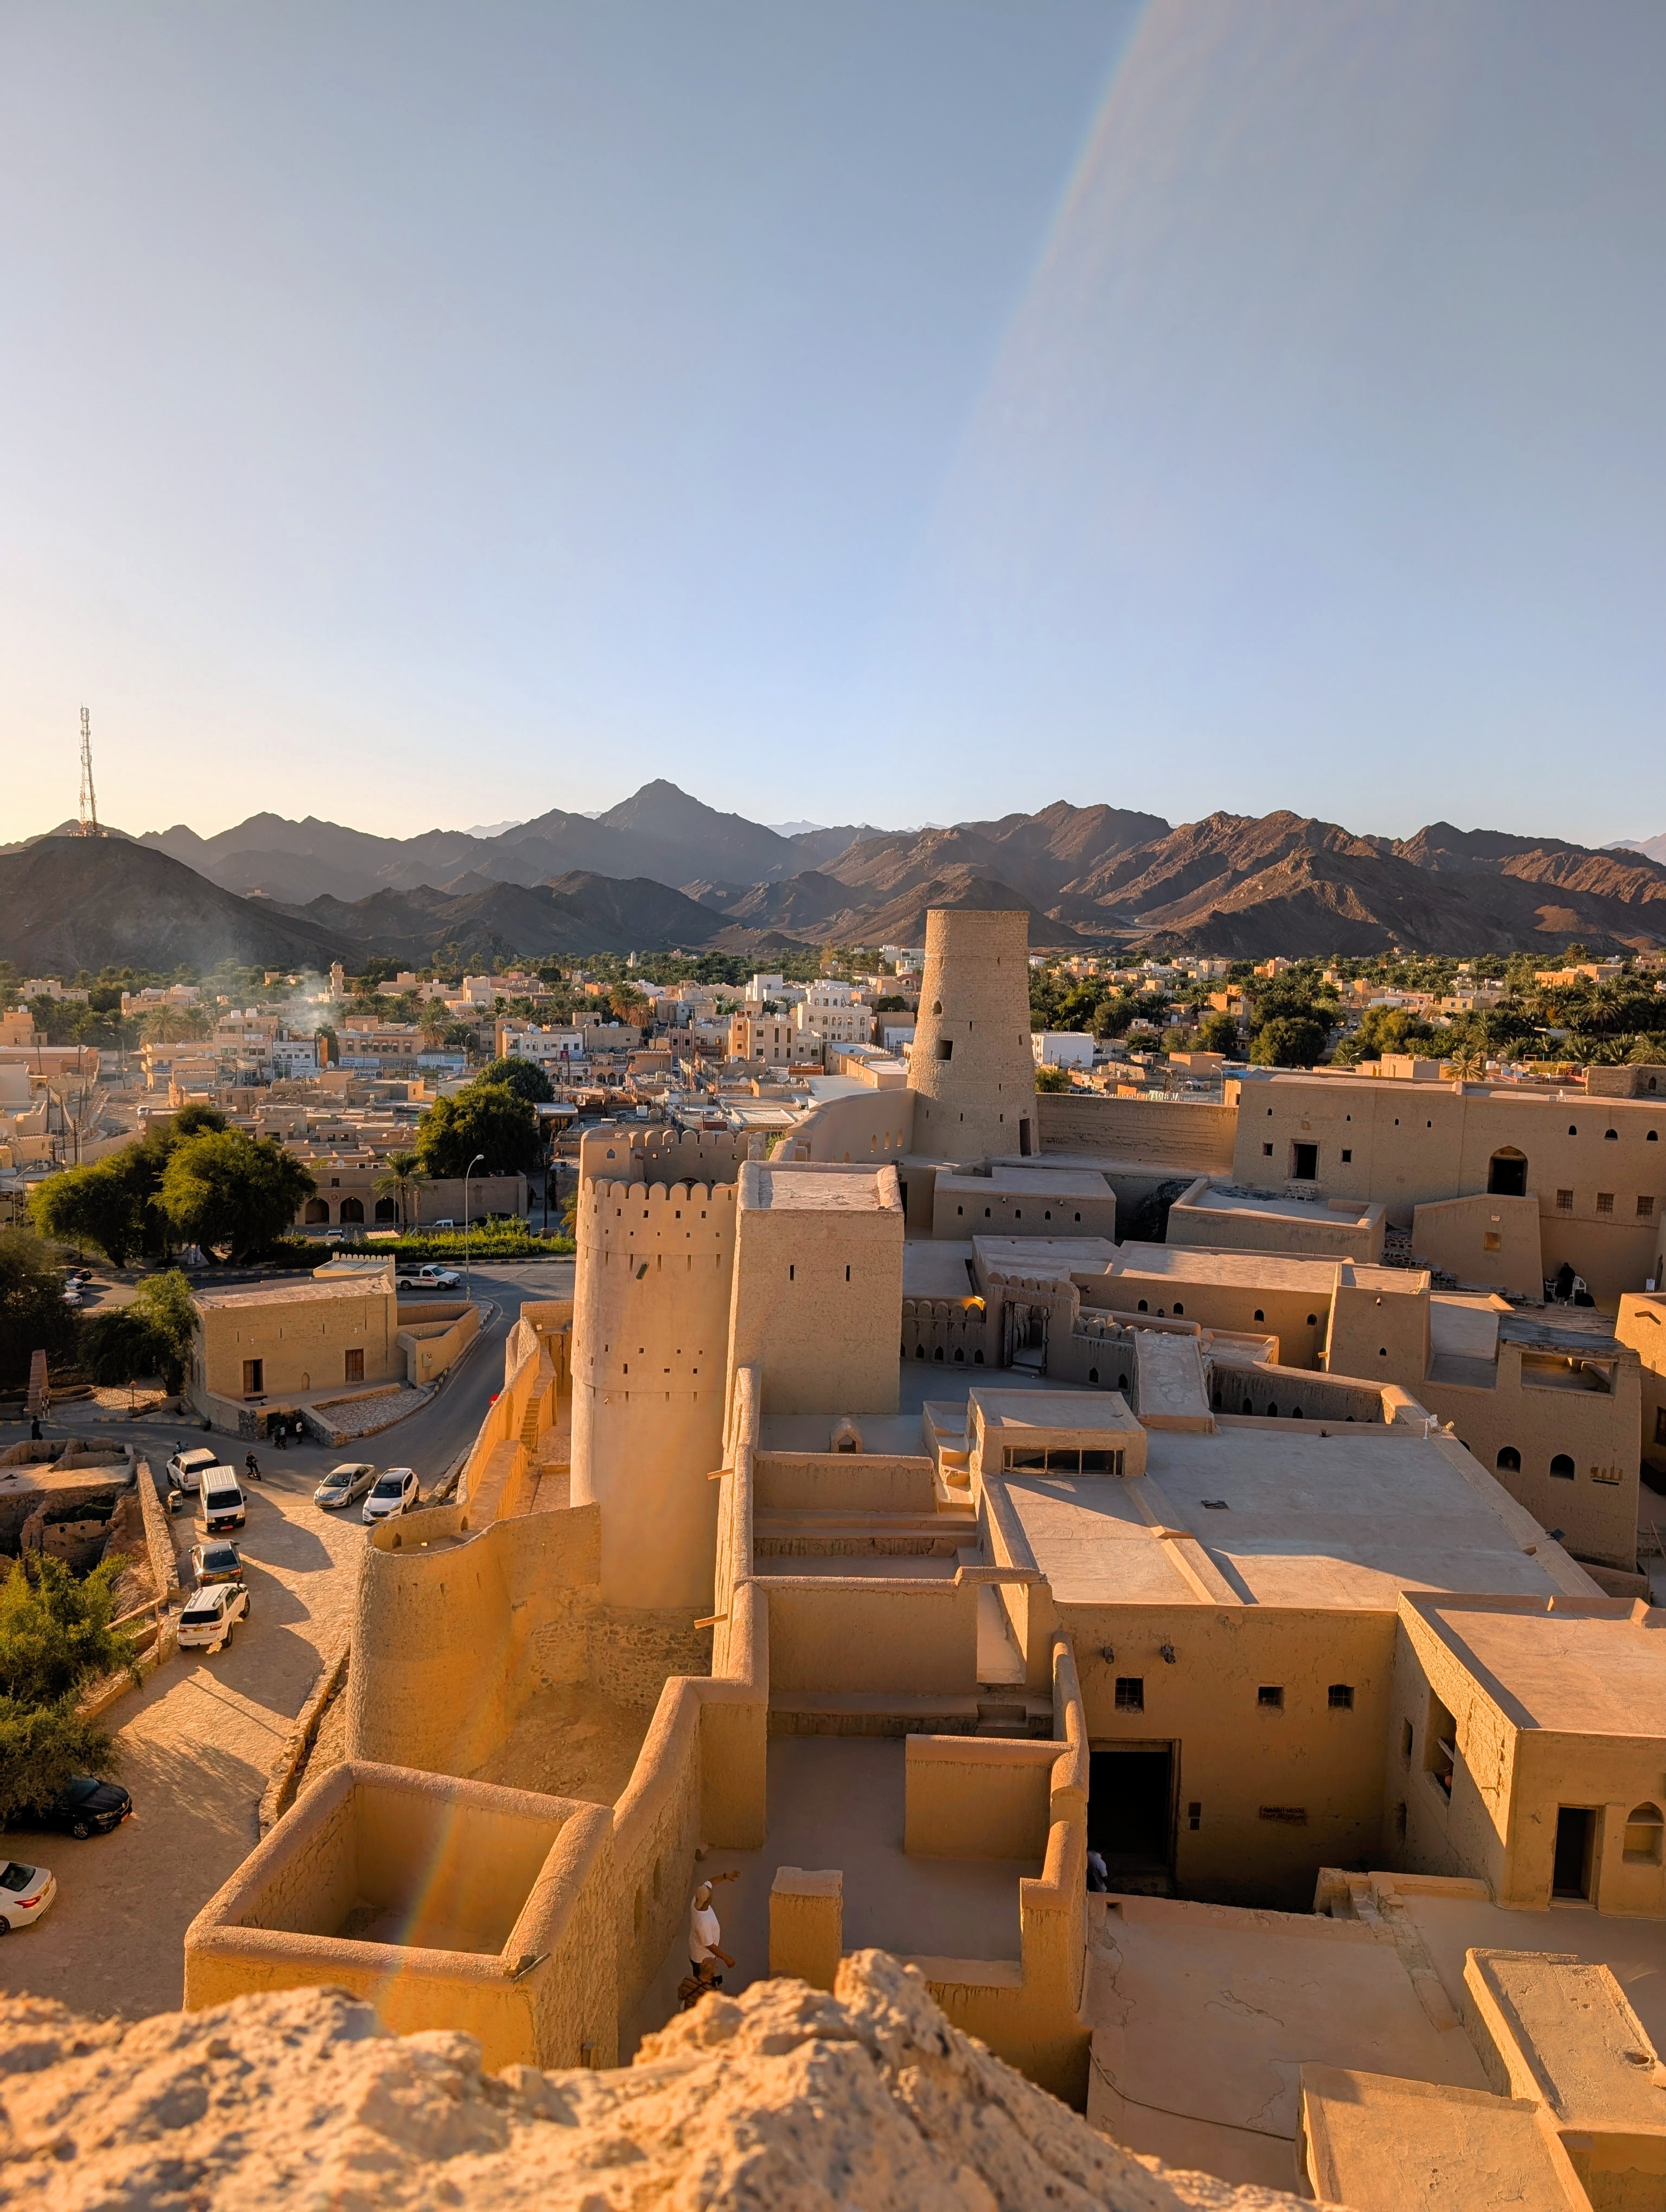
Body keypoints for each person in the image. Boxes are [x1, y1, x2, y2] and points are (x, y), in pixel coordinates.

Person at [687, 1870, 738, 1994]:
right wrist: (726, 1958)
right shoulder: (702, 1923)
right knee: (702, 1980)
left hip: (700, 1951)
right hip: (701, 1958)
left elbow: (710, 1883)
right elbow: (710, 1945)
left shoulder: (697, 1898)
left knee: (707, 1977)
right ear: (708, 1899)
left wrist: (725, 1876)